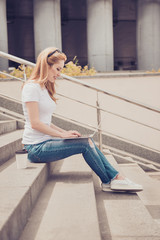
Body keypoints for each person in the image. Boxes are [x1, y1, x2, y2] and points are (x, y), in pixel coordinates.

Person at [22, 47, 143, 192]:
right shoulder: (31, 88)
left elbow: (45, 121)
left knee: (87, 140)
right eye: (57, 69)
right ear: (45, 66)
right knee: (85, 144)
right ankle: (110, 180)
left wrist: (65, 132)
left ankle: (116, 178)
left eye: (61, 70)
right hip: (35, 148)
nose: (59, 74)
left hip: (45, 142)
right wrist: (61, 135)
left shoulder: (43, 88)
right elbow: (35, 123)